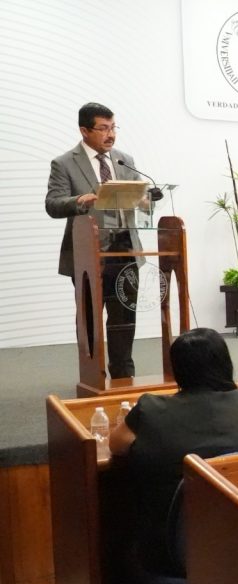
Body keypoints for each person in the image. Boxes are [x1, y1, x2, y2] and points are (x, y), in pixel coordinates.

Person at [109, 328, 238, 575]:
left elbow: (116, 444)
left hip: (172, 558)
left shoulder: (152, 409)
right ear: (226, 364)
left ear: (177, 370)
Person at [45, 102, 151, 379]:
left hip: (125, 250)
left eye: (113, 127)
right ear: (84, 130)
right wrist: (79, 200)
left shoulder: (124, 160)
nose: (111, 134)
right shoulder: (64, 163)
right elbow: (53, 204)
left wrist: (145, 199)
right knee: (90, 319)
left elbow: (143, 196)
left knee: (124, 318)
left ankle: (123, 376)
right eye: (103, 128)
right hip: (88, 254)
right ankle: (93, 377)